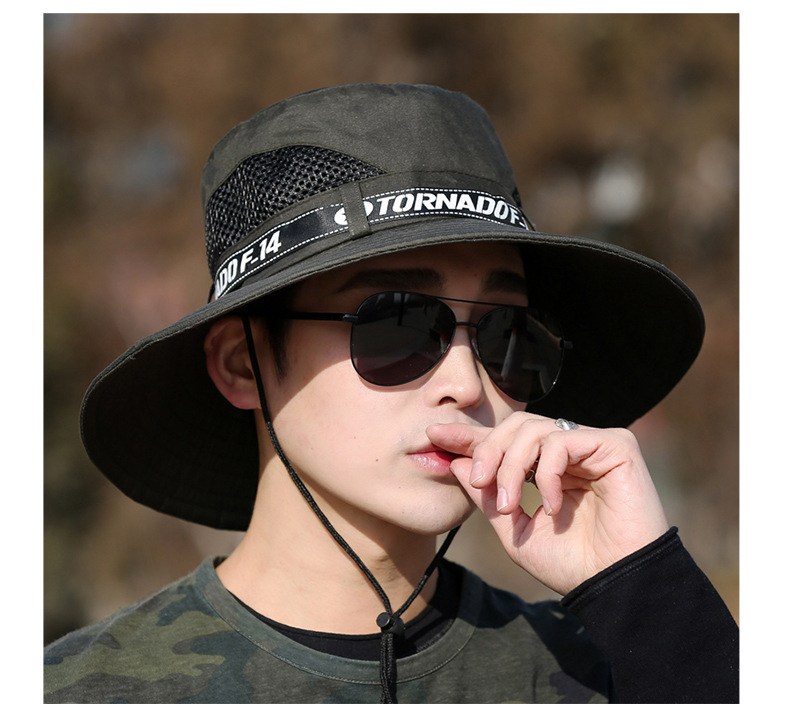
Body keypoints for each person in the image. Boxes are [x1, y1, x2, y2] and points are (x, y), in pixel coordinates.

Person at [44, 83, 738, 704]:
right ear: (242, 364)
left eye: (506, 334)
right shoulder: (78, 695)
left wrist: (646, 591)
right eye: (397, 325)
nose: (466, 384)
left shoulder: (606, 676)